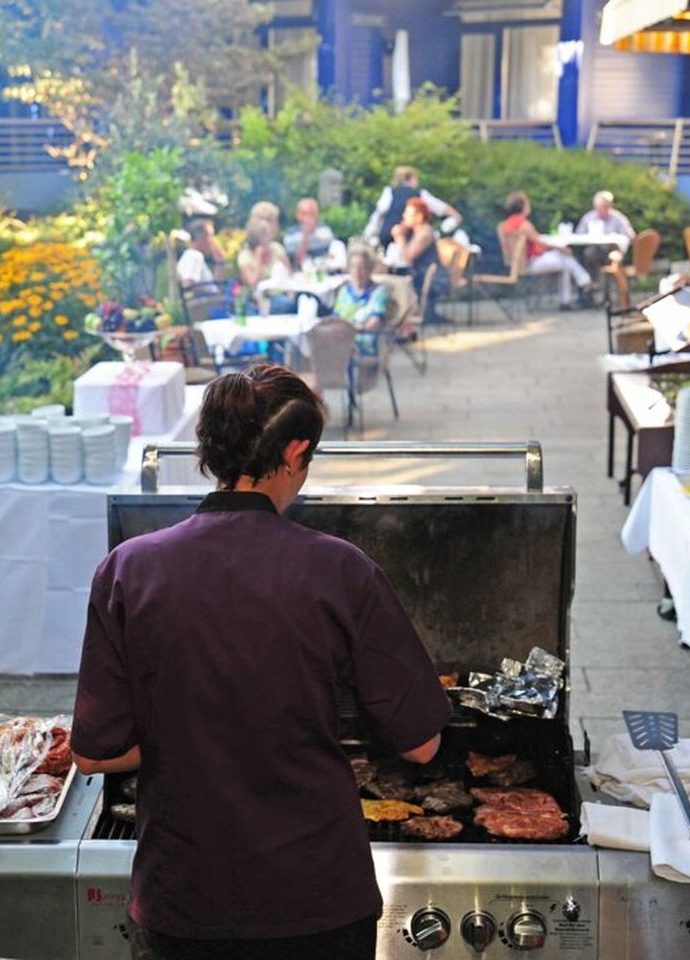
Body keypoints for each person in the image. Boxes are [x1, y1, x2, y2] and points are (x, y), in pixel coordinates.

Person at [72, 363, 449, 960]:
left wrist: (189, 728)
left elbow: (94, 752)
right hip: (318, 898)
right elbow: (422, 744)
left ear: (211, 451)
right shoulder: (342, 569)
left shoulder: (127, 569)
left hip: (185, 899)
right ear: (297, 450)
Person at [499, 191, 592, 309]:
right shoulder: (524, 225)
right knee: (566, 258)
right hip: (529, 264)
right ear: (523, 206)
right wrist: (561, 248)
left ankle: (573, 294)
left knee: (564, 262)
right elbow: (541, 244)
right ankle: (584, 284)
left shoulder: (503, 226)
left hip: (514, 265)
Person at [365, 166, 462, 260]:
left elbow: (378, 215)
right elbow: (441, 207)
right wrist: (456, 216)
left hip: (386, 238)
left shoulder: (389, 192)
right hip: (409, 240)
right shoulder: (420, 194)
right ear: (411, 178)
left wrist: (368, 235)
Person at [391, 198, 451, 325]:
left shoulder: (425, 233)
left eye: (408, 213)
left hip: (432, 278)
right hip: (420, 275)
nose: (404, 216)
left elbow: (407, 257)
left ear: (419, 216)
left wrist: (399, 237)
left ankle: (402, 318)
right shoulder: (415, 232)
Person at [333, 245, 390, 353]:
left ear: (370, 269)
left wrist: (350, 331)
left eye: (362, 267)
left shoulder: (378, 292)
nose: (357, 271)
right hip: (340, 341)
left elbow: (374, 324)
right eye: (353, 267)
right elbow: (335, 319)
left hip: (363, 344)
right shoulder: (344, 291)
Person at [237, 222, 294, 313]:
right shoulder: (245, 256)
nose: (270, 237)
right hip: (257, 299)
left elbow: (289, 273)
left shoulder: (277, 248)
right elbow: (252, 283)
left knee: (289, 303)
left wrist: (291, 293)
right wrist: (258, 258)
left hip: (280, 293)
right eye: (267, 235)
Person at [284, 197, 338, 269]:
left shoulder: (325, 231)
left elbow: (332, 255)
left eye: (312, 213)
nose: (308, 217)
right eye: (304, 213)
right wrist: (306, 236)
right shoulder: (291, 234)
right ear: (298, 215)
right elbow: (295, 261)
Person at [176, 219, 225, 293]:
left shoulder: (193, 256)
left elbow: (216, 288)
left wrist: (219, 262)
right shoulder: (194, 256)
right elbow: (187, 285)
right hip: (207, 304)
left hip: (213, 302)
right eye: (211, 236)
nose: (213, 240)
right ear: (202, 237)